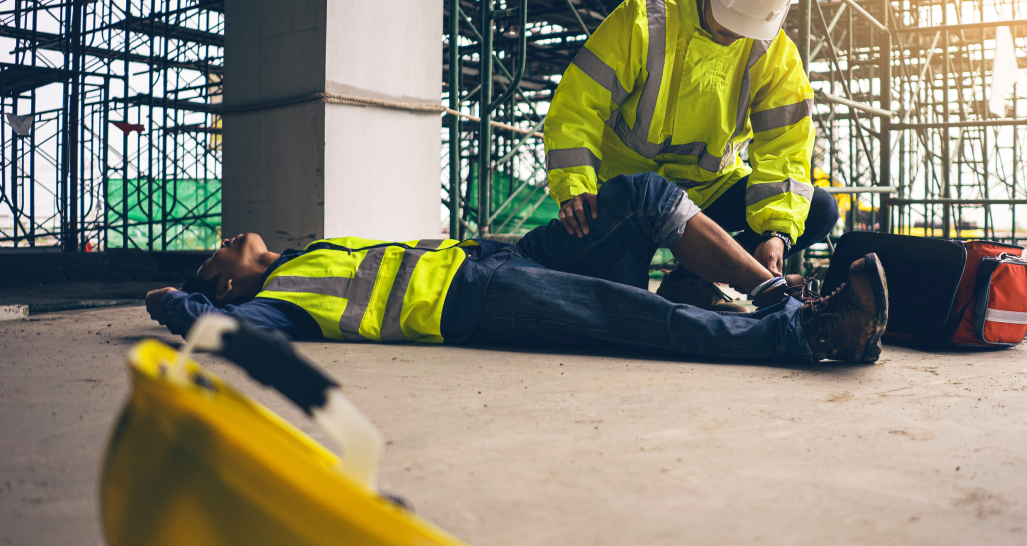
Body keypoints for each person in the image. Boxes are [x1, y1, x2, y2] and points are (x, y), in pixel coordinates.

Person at [147, 173, 888, 365]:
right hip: (474, 302)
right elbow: (218, 328)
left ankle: (766, 293)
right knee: (635, 320)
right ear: (225, 279)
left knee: (636, 199)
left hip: (488, 258)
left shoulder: (304, 253)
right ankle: (809, 333)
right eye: (216, 253)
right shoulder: (276, 301)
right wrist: (173, 300)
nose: (228, 236)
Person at [543, 0, 838, 311]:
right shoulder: (645, 18)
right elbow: (578, 104)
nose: (735, 34)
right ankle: (670, 273)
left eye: (747, 27)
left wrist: (776, 233)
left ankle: (693, 280)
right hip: (632, 198)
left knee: (820, 209)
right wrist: (575, 186)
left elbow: (785, 150)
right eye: (727, 21)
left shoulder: (774, 56)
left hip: (708, 193)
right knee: (623, 303)